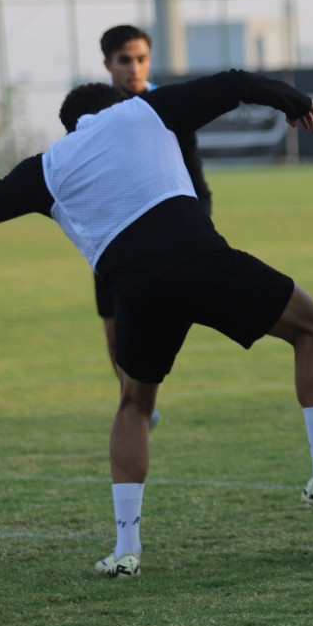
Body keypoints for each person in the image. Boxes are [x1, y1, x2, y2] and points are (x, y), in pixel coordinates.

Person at [0, 70, 313, 577]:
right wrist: (295, 102)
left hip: (136, 293)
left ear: (71, 127)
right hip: (204, 261)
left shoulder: (46, 167)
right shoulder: (146, 109)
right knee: (309, 327)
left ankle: (126, 549)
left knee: (134, 405)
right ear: (115, 103)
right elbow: (236, 83)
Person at [96, 25, 212, 429]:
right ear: (107, 64)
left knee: (152, 330)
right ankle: (138, 405)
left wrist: (202, 221)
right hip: (112, 238)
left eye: (142, 59)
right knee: (114, 334)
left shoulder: (167, 107)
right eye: (125, 60)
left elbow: (193, 173)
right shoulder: (94, 112)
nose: (134, 68)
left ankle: (138, 407)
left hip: (164, 238)